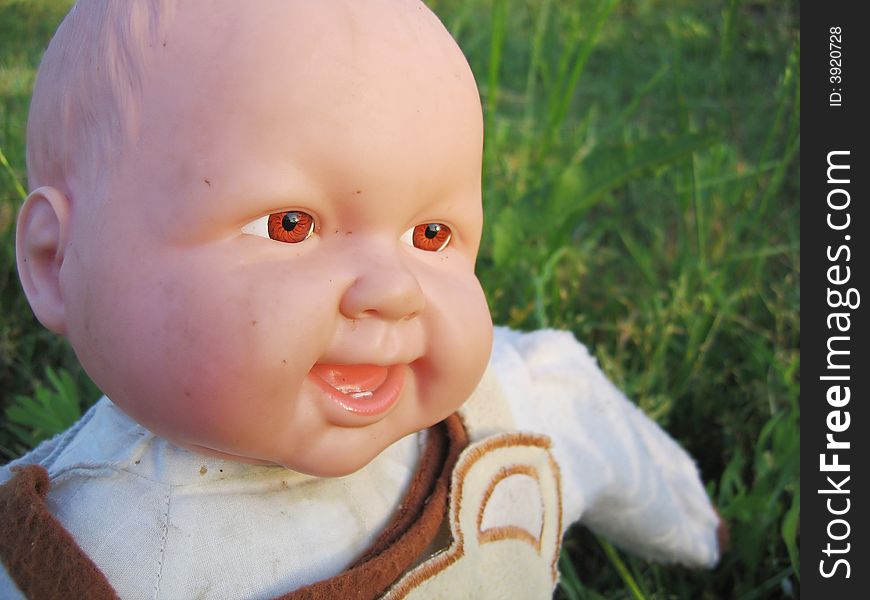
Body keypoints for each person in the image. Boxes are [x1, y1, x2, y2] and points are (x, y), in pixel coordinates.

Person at [0, 1, 722, 598]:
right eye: (291, 225)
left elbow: (595, 423)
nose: (392, 288)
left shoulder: (509, 412)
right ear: (55, 261)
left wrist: (698, 531)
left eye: (431, 234)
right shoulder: (58, 563)